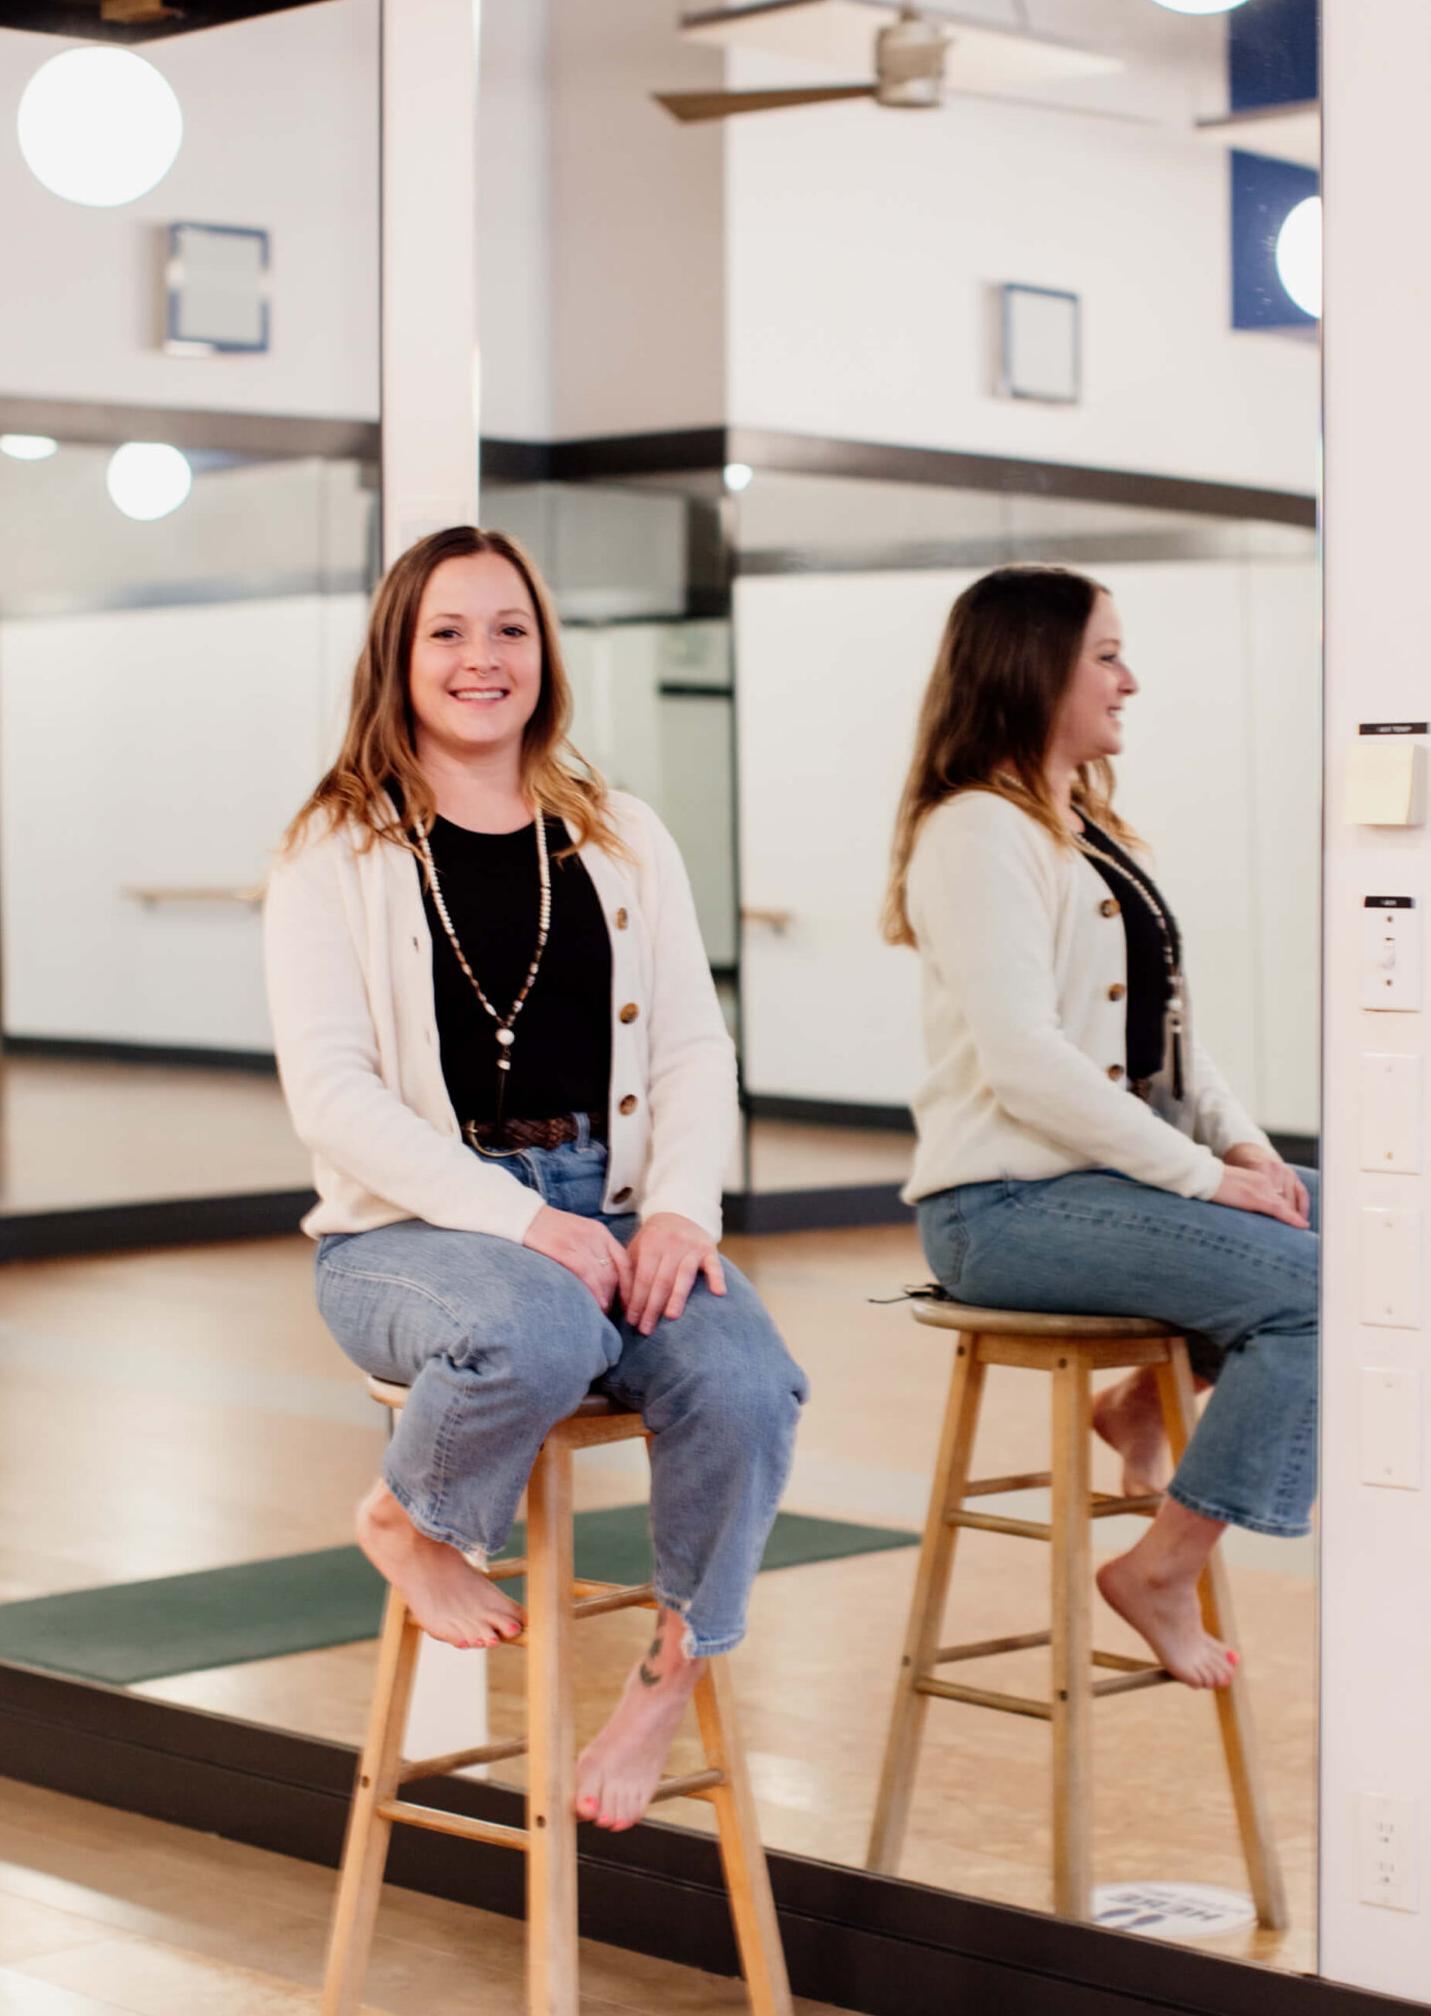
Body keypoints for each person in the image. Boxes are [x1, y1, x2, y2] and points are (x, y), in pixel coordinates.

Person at [266, 524, 805, 1830]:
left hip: (614, 1208)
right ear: (397, 655)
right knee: (538, 1322)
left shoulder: (618, 833)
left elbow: (691, 1045)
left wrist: (678, 1205)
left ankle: (666, 1677)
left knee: (746, 1383)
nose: (481, 658)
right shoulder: (331, 851)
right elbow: (331, 1097)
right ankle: (412, 1521)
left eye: (508, 627)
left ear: (544, 652)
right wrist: (522, 1222)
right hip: (407, 1237)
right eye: (446, 631)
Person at [883, 563, 1316, 1690]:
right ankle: (1161, 1568)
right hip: (1005, 1208)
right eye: (1106, 656)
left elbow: (1172, 1036)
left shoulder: (1090, 827)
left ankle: (1133, 1406)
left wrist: (1245, 1147)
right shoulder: (977, 831)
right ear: (1034, 672)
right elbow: (1028, 1063)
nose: (1131, 679)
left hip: (1102, 1187)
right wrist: (1200, 1180)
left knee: (1365, 1222)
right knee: (1318, 1291)